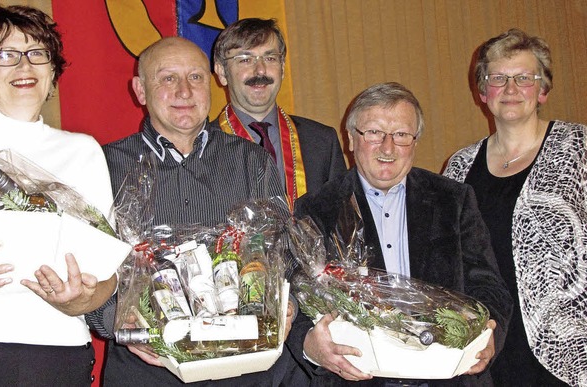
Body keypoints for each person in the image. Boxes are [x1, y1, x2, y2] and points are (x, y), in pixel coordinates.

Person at [85, 37, 307, 386]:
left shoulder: (253, 161)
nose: (185, 91)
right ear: (140, 90)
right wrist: (118, 319)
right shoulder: (101, 165)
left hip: (244, 367)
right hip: (146, 370)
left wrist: (286, 302)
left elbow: (288, 257)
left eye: (195, 77)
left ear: (211, 84)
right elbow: (84, 269)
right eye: (168, 78)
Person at [291, 82, 512, 386]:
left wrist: (490, 334)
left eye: (401, 135)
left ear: (415, 142)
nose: (387, 147)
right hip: (357, 379)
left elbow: (490, 287)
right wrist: (311, 345)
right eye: (374, 133)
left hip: (452, 379)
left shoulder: (454, 200)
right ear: (351, 140)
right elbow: (292, 298)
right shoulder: (316, 209)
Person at [0, 5, 115, 386]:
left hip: (56, 351)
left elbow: (107, 274)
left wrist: (80, 300)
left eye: (37, 52)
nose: (24, 65)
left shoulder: (85, 151)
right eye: (5, 54)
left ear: (52, 72)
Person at [443, 29, 586, 386]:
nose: (510, 89)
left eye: (525, 78)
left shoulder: (579, 149)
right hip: (487, 348)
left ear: (543, 90)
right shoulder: (458, 167)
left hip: (567, 348)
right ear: (482, 92)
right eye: (498, 79)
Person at [211, 18, 346, 207]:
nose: (260, 70)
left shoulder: (323, 142)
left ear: (282, 68)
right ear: (222, 72)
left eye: (270, 58)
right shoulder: (200, 148)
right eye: (245, 59)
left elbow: (342, 225)